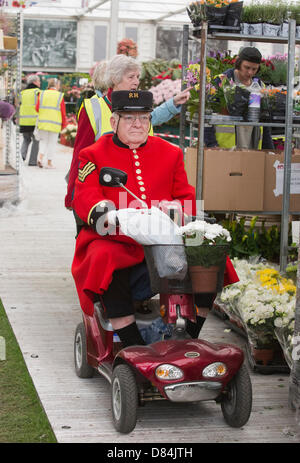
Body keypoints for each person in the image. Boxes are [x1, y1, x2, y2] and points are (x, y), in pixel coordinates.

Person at [71, 90, 239, 348]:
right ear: (114, 121)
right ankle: (131, 344)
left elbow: (186, 197)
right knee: (104, 256)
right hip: (117, 237)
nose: (138, 124)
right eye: (129, 118)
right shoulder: (93, 154)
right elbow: (85, 197)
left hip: (165, 236)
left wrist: (180, 209)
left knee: (210, 255)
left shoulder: (169, 153)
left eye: (144, 117)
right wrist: (108, 213)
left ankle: (189, 338)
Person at [65, 54, 191, 210]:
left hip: (140, 190)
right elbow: (80, 153)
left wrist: (173, 103)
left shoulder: (140, 106)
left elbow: (154, 117)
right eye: (131, 77)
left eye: (137, 76)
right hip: (107, 190)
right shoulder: (93, 107)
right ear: (115, 79)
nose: (136, 81)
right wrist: (73, 194)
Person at [205, 46, 274, 150]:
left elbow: (265, 123)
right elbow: (206, 114)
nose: (250, 72)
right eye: (247, 67)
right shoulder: (222, 82)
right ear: (238, 63)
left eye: (254, 69)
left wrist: (269, 149)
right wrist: (211, 144)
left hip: (253, 148)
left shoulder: (261, 87)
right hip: (224, 148)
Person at [35, 78, 67, 169]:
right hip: (55, 123)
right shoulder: (60, 96)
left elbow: (37, 108)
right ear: (56, 85)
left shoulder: (42, 93)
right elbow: (63, 112)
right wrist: (64, 124)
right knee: (52, 143)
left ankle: (40, 158)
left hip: (43, 122)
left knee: (43, 141)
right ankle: (49, 163)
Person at [19, 74, 40, 166]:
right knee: (36, 141)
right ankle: (32, 161)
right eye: (39, 81)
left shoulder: (23, 93)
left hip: (24, 121)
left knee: (26, 139)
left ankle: (21, 157)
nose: (40, 83)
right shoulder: (37, 92)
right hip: (34, 122)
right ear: (35, 82)